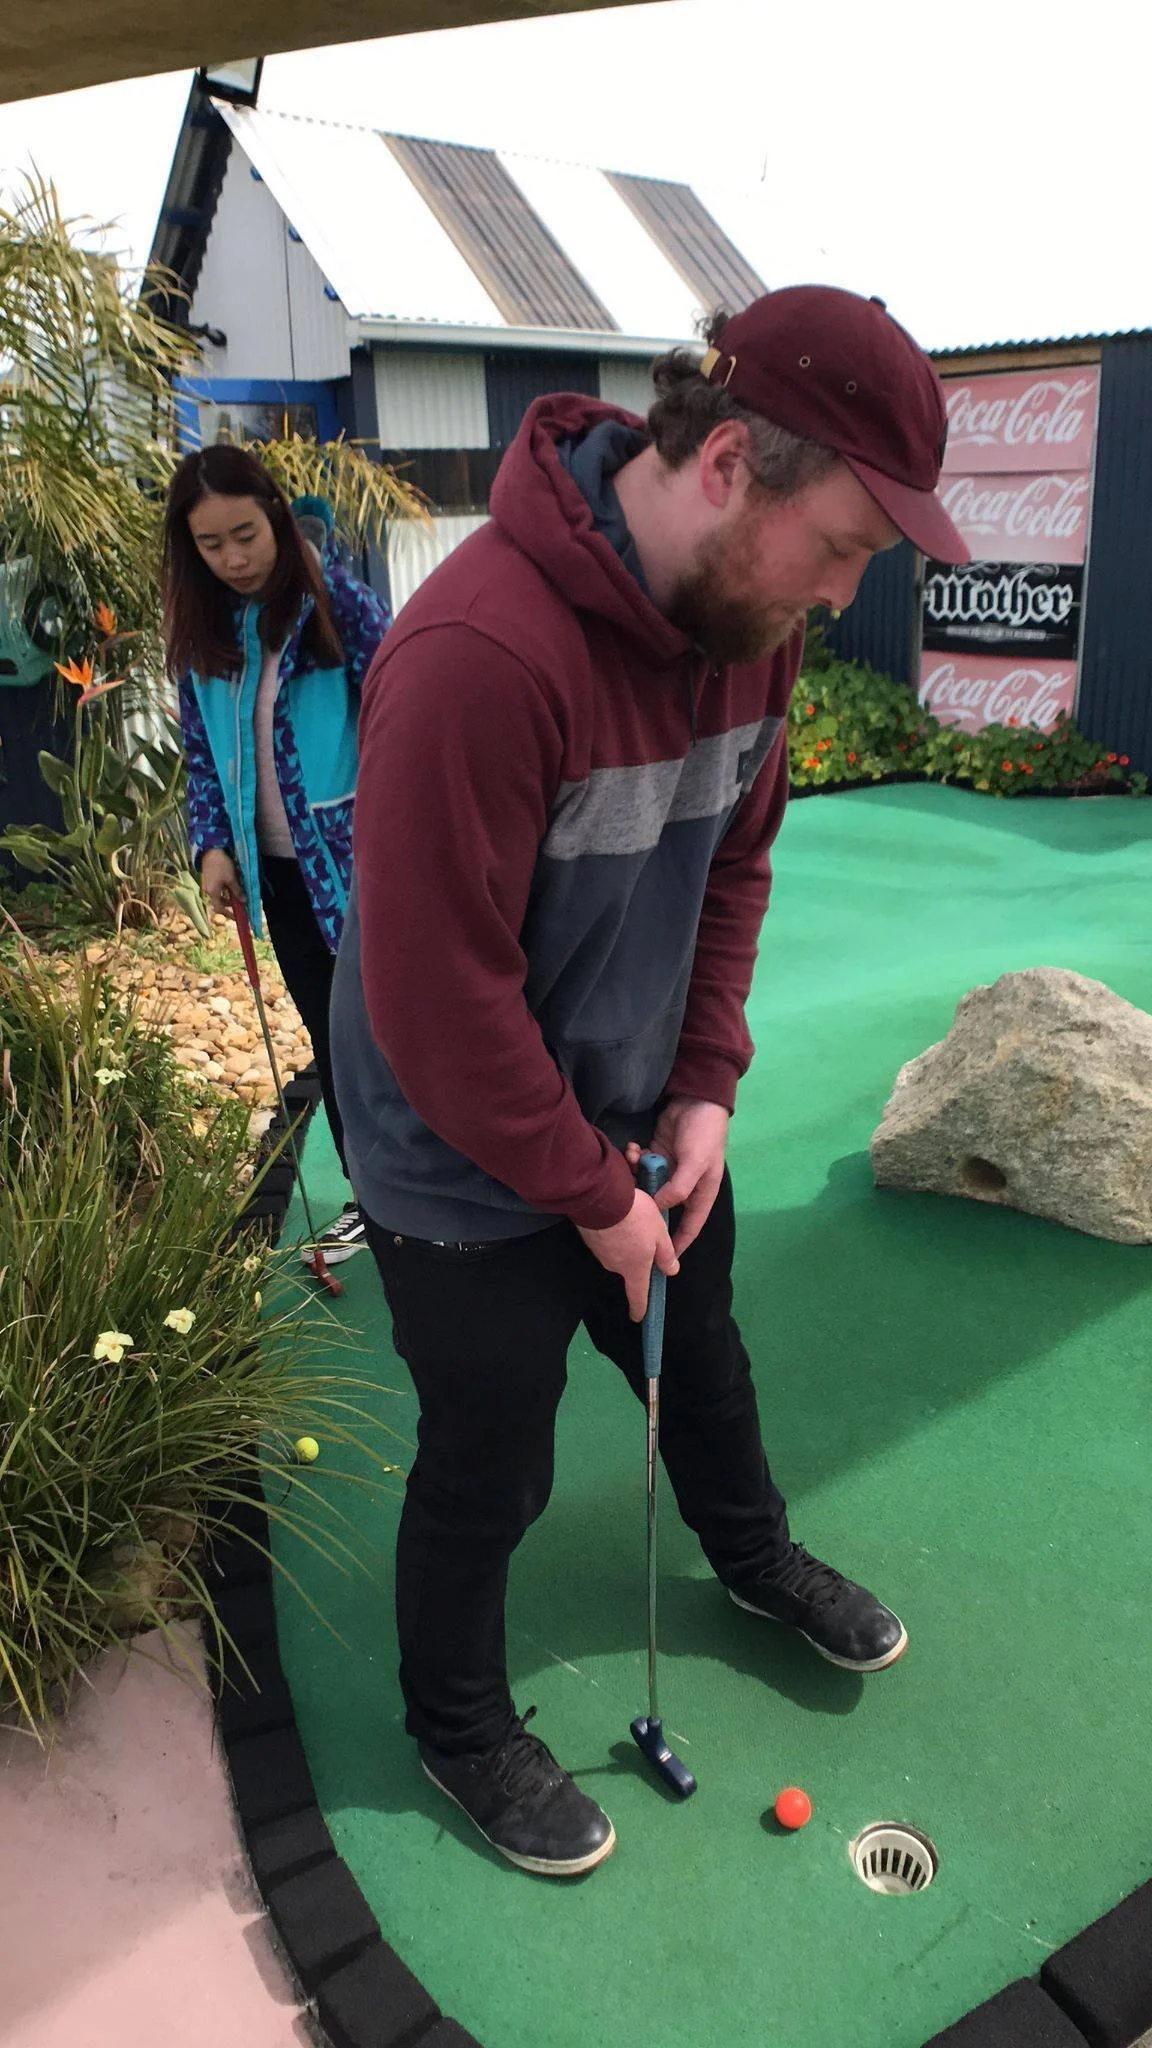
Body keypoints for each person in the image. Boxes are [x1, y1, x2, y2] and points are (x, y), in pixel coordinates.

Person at [329, 285, 970, 1875]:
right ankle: (457, 1726)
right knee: (492, 1460)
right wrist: (587, 1195)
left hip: (637, 1113)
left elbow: (734, 869)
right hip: (452, 1150)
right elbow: (437, 1002)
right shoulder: (476, 654)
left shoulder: (755, 628)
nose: (840, 595)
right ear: (732, 467)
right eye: (840, 549)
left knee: (703, 1365)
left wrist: (704, 1089)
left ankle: (752, 1559)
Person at [163, 445, 390, 1261]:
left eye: (245, 535)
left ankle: (436, 1193)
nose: (233, 558)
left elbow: (403, 710)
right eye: (211, 544)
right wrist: (212, 846)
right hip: (280, 877)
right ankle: (374, 1200)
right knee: (332, 1041)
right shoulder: (206, 629)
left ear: (277, 519)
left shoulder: (338, 603)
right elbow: (201, 753)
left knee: (393, 1037)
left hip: (364, 872)